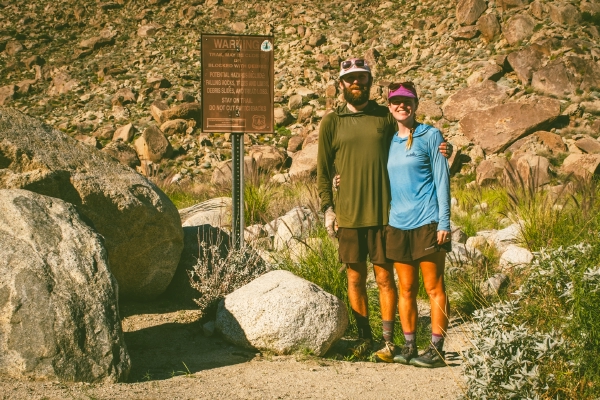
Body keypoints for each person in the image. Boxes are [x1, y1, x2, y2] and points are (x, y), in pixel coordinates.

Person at [317, 58, 452, 358]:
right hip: (348, 214)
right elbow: (323, 171)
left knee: (385, 280)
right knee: (355, 278)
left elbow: (414, 130)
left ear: (369, 81)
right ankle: (365, 337)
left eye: (362, 78)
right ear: (341, 84)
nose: (356, 83)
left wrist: (446, 147)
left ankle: (390, 341)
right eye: (350, 78)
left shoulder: (384, 115)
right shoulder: (332, 121)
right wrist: (328, 207)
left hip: (384, 216)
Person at [383, 82, 452, 368]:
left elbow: (442, 179)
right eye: (397, 101)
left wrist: (444, 221)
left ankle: (436, 349)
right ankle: (409, 345)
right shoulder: (388, 141)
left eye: (408, 101)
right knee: (406, 289)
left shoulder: (431, 135)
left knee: (434, 288)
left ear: (416, 105)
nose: (402, 105)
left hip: (427, 221)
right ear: (390, 106)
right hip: (397, 224)